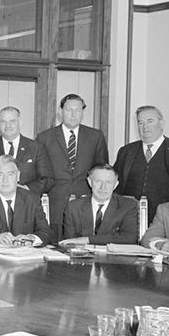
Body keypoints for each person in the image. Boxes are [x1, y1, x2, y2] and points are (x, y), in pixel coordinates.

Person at [36, 94, 108, 241]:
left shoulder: (95, 136)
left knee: (84, 248)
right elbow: (40, 173)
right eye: (69, 110)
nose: (74, 114)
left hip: (86, 202)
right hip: (55, 202)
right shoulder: (45, 137)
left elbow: (102, 171)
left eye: (78, 110)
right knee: (56, 247)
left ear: (83, 113)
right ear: (60, 111)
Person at [113, 105, 169, 219]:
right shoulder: (126, 152)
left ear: (161, 123)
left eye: (150, 121)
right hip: (131, 219)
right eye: (140, 123)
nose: (145, 127)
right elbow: (115, 186)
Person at [0, 155, 52, 245]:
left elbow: (46, 232)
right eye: (0, 175)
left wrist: (31, 238)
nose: (5, 180)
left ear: (18, 176)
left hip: (25, 255)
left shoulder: (32, 199)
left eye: (10, 174)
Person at [0, 106, 54, 196]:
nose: (8, 126)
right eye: (3, 122)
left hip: (28, 204)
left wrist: (26, 189)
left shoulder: (37, 148)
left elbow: (48, 180)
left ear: (20, 123)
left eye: (12, 121)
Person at [61, 165, 139, 245]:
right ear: (90, 182)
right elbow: (70, 241)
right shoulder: (73, 207)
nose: (103, 187)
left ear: (115, 185)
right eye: (98, 181)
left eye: (108, 182)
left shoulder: (127, 206)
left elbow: (129, 238)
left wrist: (88, 240)